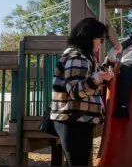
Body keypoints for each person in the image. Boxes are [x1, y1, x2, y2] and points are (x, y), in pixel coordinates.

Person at [50, 17, 117, 166]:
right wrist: (97, 79)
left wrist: (112, 56)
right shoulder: (77, 57)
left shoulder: (85, 57)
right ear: (90, 37)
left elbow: (98, 73)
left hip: (76, 119)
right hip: (73, 120)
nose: (101, 43)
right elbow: (75, 91)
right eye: (101, 39)